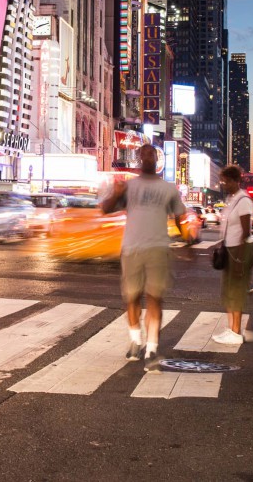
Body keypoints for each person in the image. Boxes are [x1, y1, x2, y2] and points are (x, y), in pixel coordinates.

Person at [100, 144, 186, 372]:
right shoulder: (127, 186)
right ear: (139, 158)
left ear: (157, 159)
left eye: (152, 154)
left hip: (158, 248)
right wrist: (116, 193)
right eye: (144, 154)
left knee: (155, 298)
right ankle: (135, 340)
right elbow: (105, 209)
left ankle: (152, 349)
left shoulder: (169, 188)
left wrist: (187, 241)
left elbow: (180, 215)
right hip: (132, 249)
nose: (148, 157)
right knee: (132, 297)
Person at [212, 164, 253, 346]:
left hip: (241, 250)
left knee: (236, 291)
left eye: (226, 181)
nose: (223, 184)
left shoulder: (243, 200)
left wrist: (238, 259)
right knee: (228, 291)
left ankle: (236, 331)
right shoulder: (232, 199)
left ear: (235, 181)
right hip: (231, 249)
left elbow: (245, 231)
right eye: (223, 181)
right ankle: (231, 329)